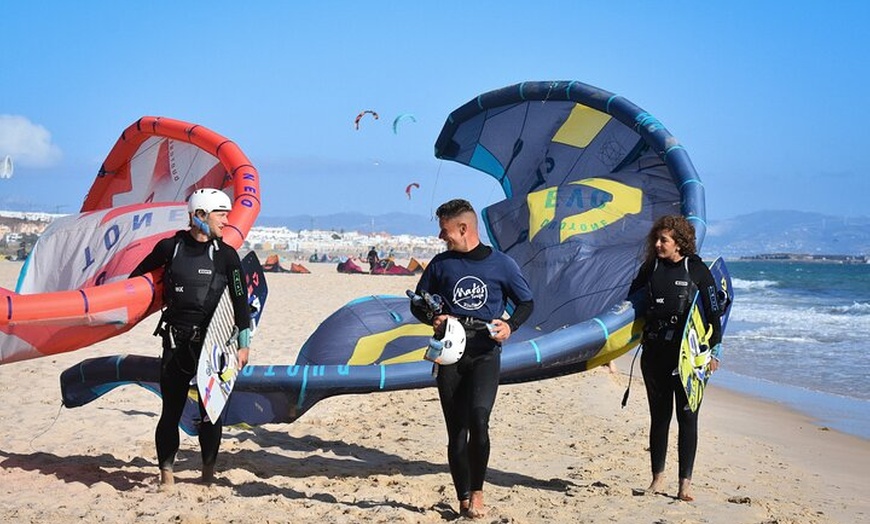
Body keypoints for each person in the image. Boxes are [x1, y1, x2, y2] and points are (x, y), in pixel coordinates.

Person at [410, 199, 534, 518]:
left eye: (445, 230)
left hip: (484, 354)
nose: (441, 237)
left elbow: (526, 302)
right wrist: (432, 319)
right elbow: (418, 303)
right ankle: (462, 495)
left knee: (479, 422)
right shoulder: (440, 265)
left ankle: (477, 493)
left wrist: (511, 325)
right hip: (450, 354)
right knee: (457, 431)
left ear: (463, 228)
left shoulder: (502, 264)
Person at [130, 188, 252, 489]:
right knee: (170, 411)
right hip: (175, 341)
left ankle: (207, 475)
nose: (226, 220)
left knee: (211, 413)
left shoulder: (226, 255)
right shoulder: (170, 248)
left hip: (212, 346)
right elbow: (133, 282)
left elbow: (240, 300)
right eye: (220, 213)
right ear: (199, 215)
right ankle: (167, 477)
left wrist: (243, 344)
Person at [628, 215, 722, 502]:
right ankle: (657, 478)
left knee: (687, 417)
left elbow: (714, 314)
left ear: (679, 243)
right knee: (659, 418)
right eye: (656, 239)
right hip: (655, 352)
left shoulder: (696, 270)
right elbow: (632, 301)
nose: (657, 244)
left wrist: (714, 352)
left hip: (688, 357)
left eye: (663, 240)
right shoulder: (651, 267)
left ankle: (685, 484)